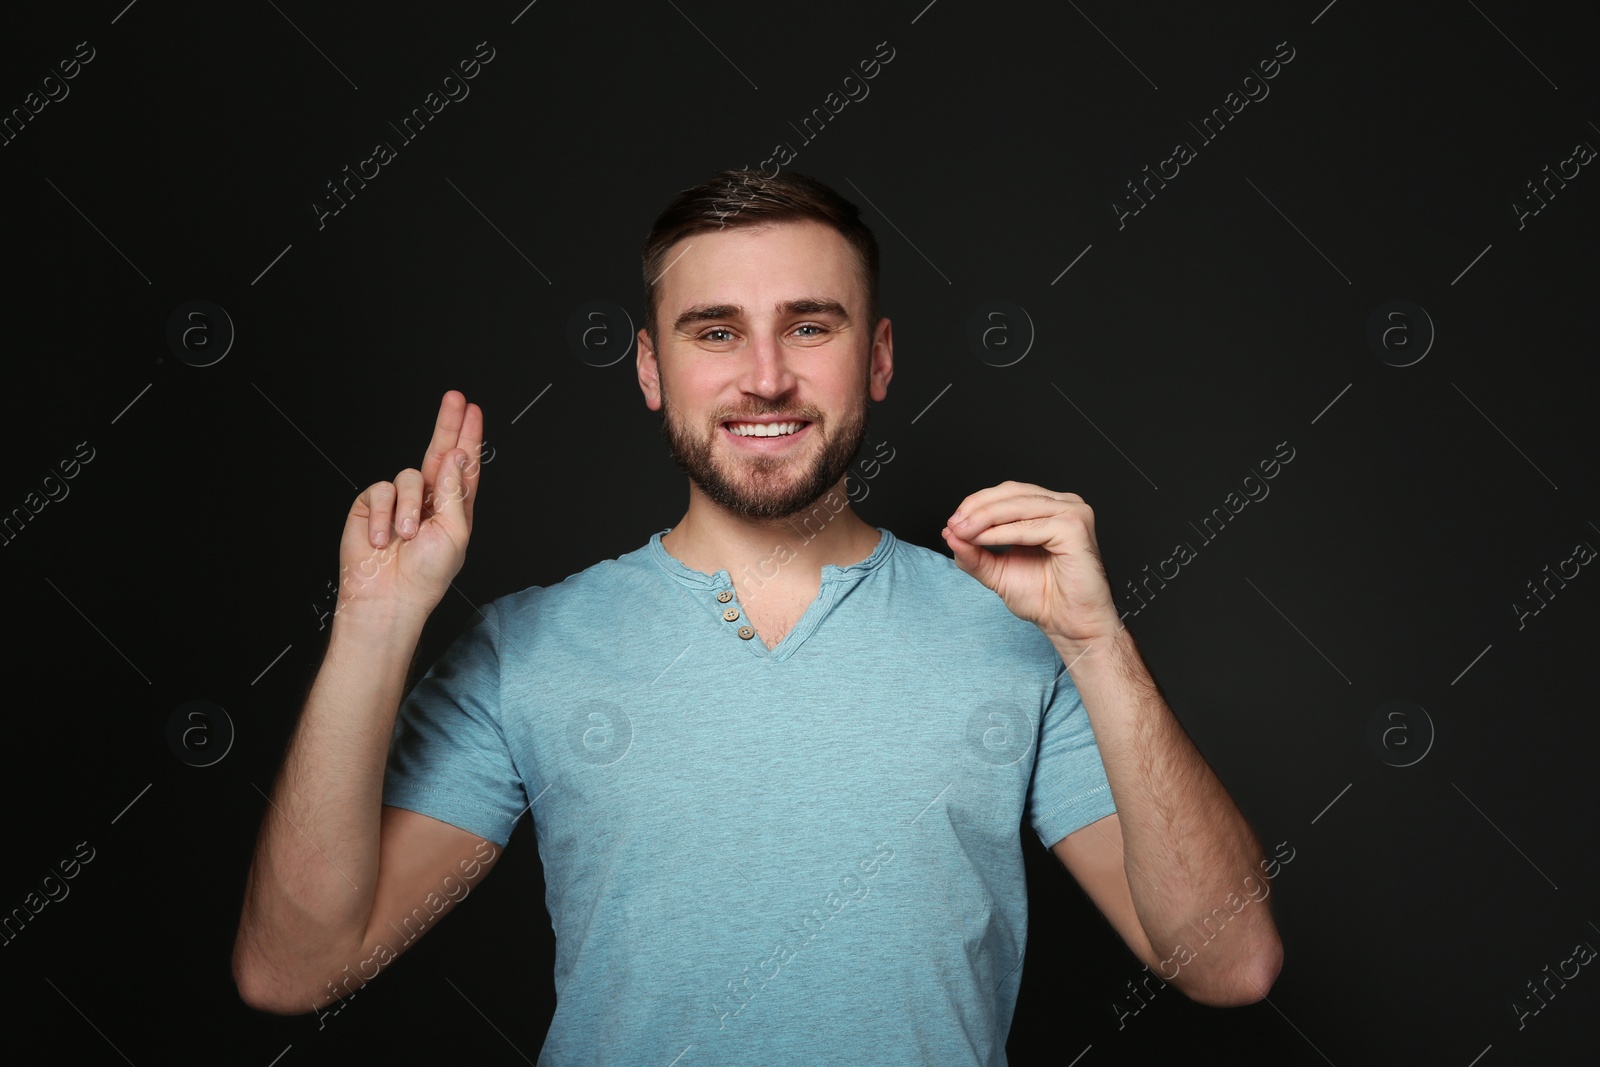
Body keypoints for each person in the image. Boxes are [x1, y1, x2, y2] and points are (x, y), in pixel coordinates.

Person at [232, 169, 1283, 1063]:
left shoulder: (1016, 632)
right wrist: (372, 624)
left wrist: (1102, 650)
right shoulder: (527, 648)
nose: (766, 375)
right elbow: (295, 968)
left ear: (875, 358)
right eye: (715, 330)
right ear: (651, 367)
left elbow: (1227, 963)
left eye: (808, 325)